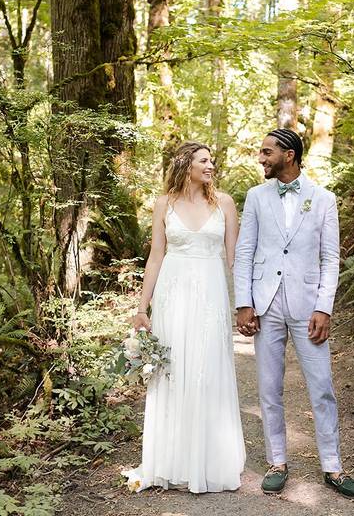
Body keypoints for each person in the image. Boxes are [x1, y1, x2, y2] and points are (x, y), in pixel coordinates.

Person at [233, 129, 354, 500]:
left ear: (288, 155)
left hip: (308, 307)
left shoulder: (323, 199)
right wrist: (244, 302)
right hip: (266, 305)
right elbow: (245, 252)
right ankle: (277, 462)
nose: (261, 158)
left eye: (266, 152)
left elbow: (330, 259)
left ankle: (334, 468)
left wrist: (324, 307)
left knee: (322, 388)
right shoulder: (256, 197)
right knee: (268, 387)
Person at [123, 142, 246, 493]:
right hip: (172, 296)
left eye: (212, 160)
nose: (211, 165)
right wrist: (141, 307)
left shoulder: (223, 203)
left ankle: (208, 462)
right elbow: (155, 258)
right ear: (185, 165)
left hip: (210, 295)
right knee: (174, 373)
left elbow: (234, 258)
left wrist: (245, 305)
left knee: (208, 371)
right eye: (203, 160)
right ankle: (171, 461)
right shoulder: (164, 204)